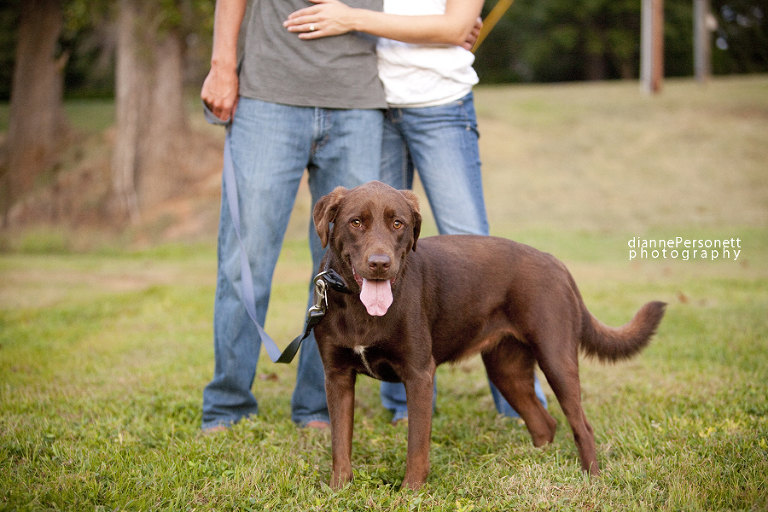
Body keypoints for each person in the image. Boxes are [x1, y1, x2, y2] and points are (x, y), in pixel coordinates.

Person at [285, 0, 548, 423]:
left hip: (439, 102)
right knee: (373, 251)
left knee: (474, 248)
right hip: (372, 104)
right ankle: (403, 403)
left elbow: (455, 25)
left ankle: (518, 405)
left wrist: (352, 18)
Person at [200, 0, 388, 431]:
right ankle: (228, 405)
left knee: (344, 270)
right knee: (245, 263)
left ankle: (318, 406)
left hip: (358, 101)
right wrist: (222, 64)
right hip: (269, 95)